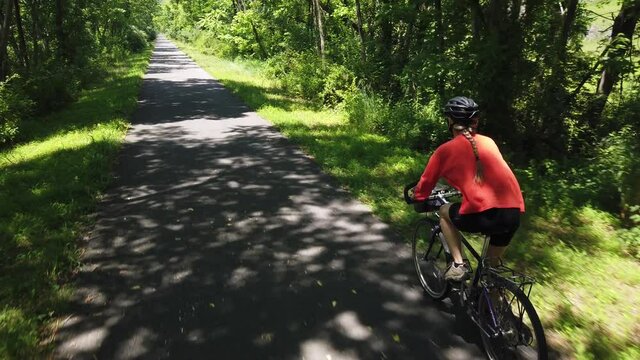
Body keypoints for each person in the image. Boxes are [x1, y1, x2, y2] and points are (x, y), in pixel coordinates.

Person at [412, 96, 524, 281]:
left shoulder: (444, 151)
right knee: (490, 270)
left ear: (450, 121)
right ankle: (495, 306)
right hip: (513, 213)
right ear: (474, 121)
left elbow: (424, 186)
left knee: (444, 211)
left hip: (487, 215)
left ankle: (459, 265)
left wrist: (418, 197)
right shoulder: (489, 142)